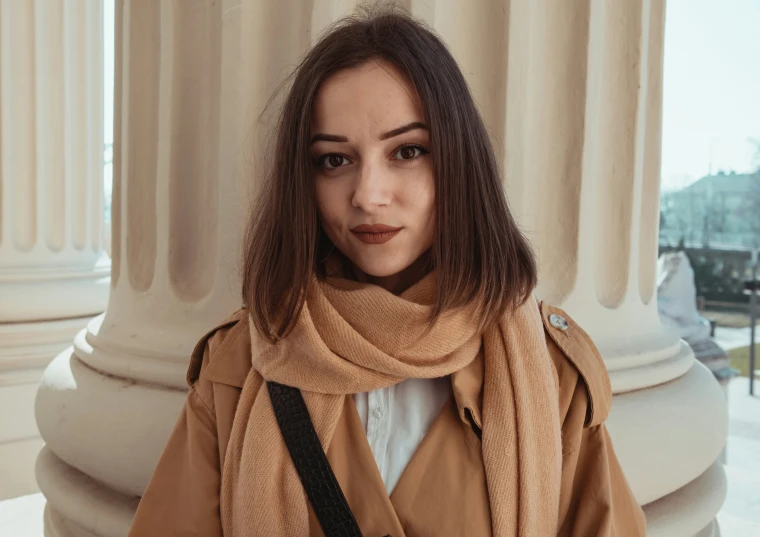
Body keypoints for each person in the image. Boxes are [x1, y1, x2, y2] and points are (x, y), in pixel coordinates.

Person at [127, 9, 646, 537]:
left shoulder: (549, 375)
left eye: (408, 151)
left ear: (458, 162)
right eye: (334, 160)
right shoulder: (242, 362)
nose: (368, 195)